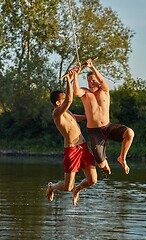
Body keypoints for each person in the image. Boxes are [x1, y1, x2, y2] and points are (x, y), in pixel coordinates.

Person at [73, 58, 134, 175]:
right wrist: (75, 75)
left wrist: (92, 67)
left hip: (108, 127)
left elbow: (101, 80)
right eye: (89, 81)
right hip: (94, 131)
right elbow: (76, 92)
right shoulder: (86, 93)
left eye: (93, 80)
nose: (91, 83)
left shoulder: (105, 90)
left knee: (129, 133)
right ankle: (104, 161)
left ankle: (122, 158)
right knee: (101, 165)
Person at [46, 69, 97, 206]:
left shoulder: (67, 111)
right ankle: (52, 187)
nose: (66, 102)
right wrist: (69, 79)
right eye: (62, 100)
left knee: (92, 180)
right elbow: (69, 99)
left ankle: (78, 189)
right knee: (67, 186)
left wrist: (88, 117)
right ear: (58, 103)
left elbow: (74, 118)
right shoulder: (57, 113)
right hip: (72, 150)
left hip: (83, 147)